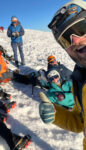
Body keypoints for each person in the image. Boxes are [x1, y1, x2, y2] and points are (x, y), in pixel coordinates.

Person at [39, 0, 86, 149]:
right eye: (66, 39)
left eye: (80, 28)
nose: (76, 41)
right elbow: (80, 122)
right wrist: (55, 114)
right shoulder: (79, 79)